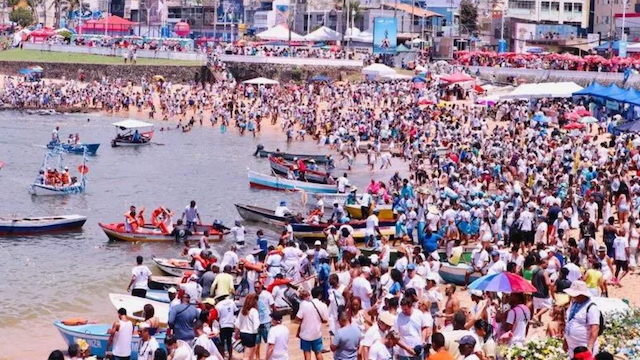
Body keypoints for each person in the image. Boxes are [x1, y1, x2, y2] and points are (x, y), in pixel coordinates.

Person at [564, 281, 602, 358]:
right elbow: (569, 321)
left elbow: (595, 328)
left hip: (584, 346)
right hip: (572, 346)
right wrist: (565, 340)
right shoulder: (574, 303)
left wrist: (589, 347)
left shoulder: (591, 307)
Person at [296, 287, 329, 360]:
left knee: (307, 355)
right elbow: (326, 320)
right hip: (317, 333)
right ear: (320, 295)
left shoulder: (305, 305)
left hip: (305, 334)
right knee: (318, 353)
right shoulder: (323, 305)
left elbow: (297, 318)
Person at [235, 293, 260, 360]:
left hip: (243, 334)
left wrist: (236, 334)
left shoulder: (242, 310)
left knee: (248, 354)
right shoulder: (254, 311)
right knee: (247, 356)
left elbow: (238, 324)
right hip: (250, 335)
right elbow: (256, 324)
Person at [256, 280, 276, 359]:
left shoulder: (267, 295)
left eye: (257, 287)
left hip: (266, 322)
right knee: (256, 343)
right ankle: (257, 358)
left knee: (268, 342)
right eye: (255, 288)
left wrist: (275, 318)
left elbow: (273, 306)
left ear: (261, 286)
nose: (256, 289)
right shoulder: (253, 296)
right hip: (257, 323)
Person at [215, 294, 237, 360]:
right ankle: (230, 356)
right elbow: (235, 311)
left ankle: (222, 356)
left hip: (223, 325)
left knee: (222, 342)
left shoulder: (218, 305)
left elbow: (218, 316)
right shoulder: (231, 302)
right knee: (229, 341)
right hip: (230, 324)